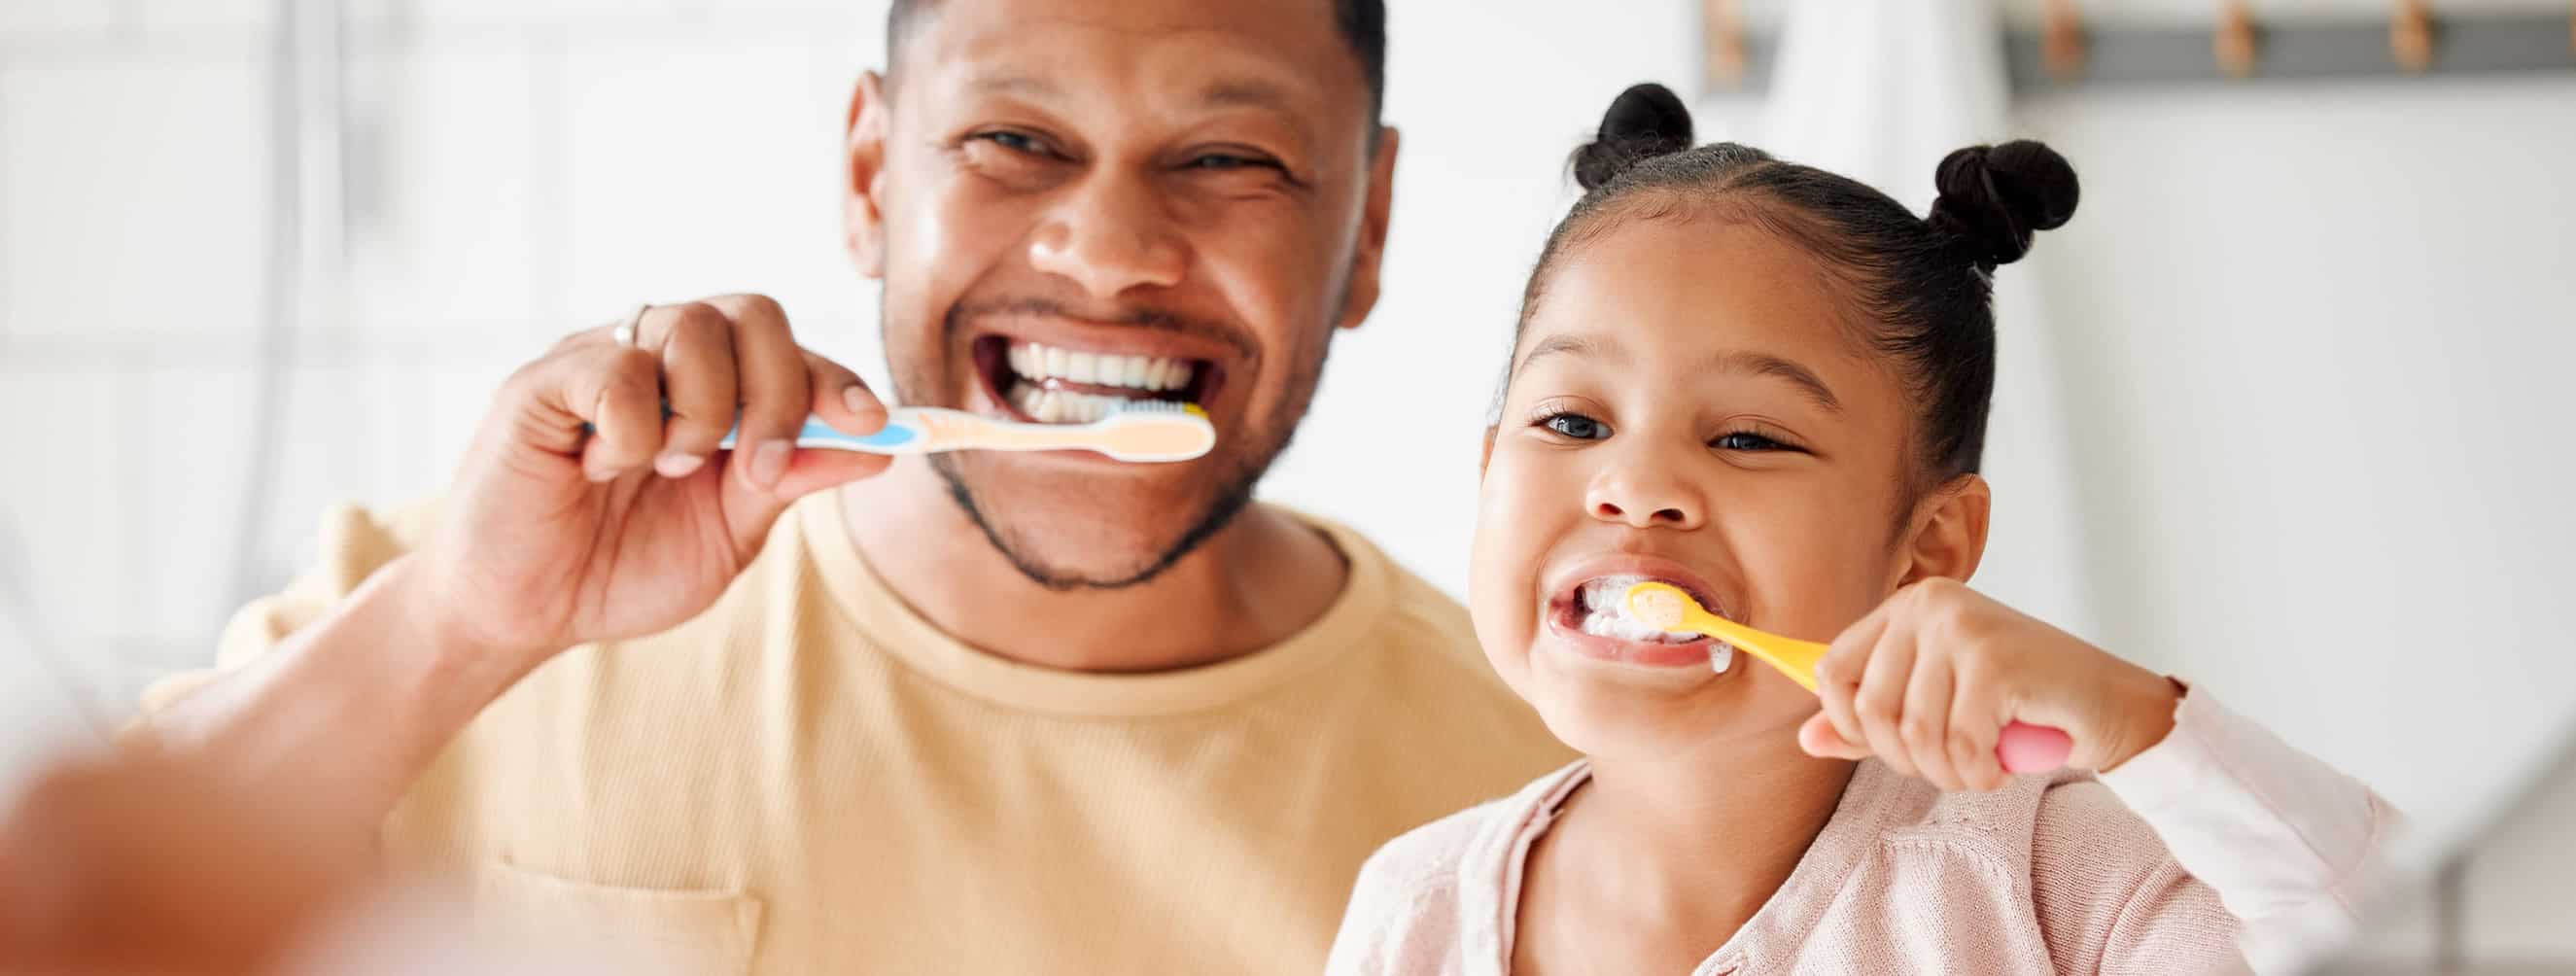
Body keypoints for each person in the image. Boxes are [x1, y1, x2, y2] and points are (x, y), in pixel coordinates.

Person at [117, 1, 1570, 972]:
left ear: (1365, 228)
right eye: (1015, 140)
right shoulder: (451, 618)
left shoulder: (1541, 782)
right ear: (873, 175)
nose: (1111, 247)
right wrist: (459, 626)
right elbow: (80, 918)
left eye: (1229, 156)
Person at [1325, 84, 2397, 974]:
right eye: (1569, 419)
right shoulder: (1411, 913)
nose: (1636, 484)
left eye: (1747, 437)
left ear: (1928, 547)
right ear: (1485, 468)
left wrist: (2135, 721)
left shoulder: (2057, 883)